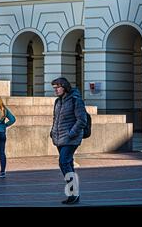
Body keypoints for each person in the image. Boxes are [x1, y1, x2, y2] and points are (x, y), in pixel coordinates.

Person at [50, 77, 88, 205]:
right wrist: (52, 132)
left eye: (57, 87)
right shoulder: (58, 101)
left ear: (65, 87)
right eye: (54, 88)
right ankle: (74, 194)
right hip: (59, 138)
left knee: (63, 162)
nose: (55, 90)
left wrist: (71, 133)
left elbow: (82, 120)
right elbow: (55, 119)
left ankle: (74, 192)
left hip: (71, 138)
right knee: (68, 163)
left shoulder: (75, 100)